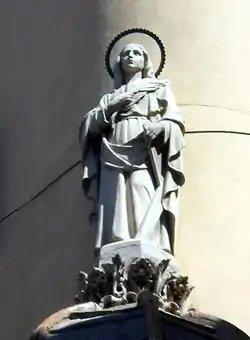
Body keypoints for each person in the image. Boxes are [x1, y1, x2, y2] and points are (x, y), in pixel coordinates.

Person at [79, 43, 185, 254]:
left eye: (136, 53)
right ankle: (117, 243)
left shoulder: (158, 88)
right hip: (112, 148)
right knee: (115, 195)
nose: (131, 56)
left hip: (143, 147)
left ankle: (147, 242)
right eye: (126, 53)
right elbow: (88, 126)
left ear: (145, 61)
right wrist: (112, 107)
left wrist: (160, 127)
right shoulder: (110, 98)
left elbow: (175, 120)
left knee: (140, 189)